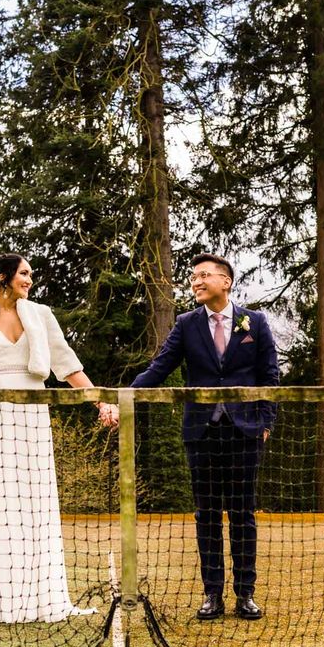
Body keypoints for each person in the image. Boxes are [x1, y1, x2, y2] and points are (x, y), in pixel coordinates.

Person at [0, 252, 118, 624]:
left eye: (31, 274)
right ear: (5, 276)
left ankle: (41, 599)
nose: (30, 280)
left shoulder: (41, 314)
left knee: (33, 500)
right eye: (24, 273)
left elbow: (67, 364)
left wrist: (100, 402)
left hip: (32, 413)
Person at [131, 253, 278, 620]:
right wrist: (124, 397)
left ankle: (245, 594)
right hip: (201, 433)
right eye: (193, 277)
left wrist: (265, 423)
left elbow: (269, 377)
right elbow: (159, 368)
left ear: (225, 282)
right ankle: (212, 594)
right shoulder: (185, 324)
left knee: (242, 515)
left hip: (245, 432)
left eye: (203, 275)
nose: (195, 282)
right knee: (207, 515)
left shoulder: (254, 323)